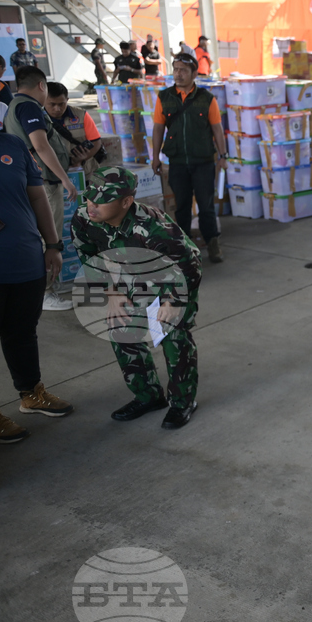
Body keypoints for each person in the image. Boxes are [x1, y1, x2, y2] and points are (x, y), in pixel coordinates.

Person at [71, 167, 202, 430]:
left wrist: (173, 303)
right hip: (129, 280)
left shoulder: (155, 227)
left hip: (169, 283)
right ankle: (149, 396)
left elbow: (190, 265)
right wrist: (111, 293)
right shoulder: (84, 218)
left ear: (126, 202)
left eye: (100, 200)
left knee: (172, 336)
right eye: (88, 197)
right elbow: (88, 256)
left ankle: (182, 402)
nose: (91, 205)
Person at [0, 125, 74, 445]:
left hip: (25, 260)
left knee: (22, 332)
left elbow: (38, 196)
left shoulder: (11, 145)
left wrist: (53, 245)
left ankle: (31, 393)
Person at [3, 66, 77, 312]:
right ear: (42, 86)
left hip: (31, 181)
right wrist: (65, 179)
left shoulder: (14, 106)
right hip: (43, 183)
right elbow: (41, 145)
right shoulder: (29, 107)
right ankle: (46, 293)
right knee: (49, 238)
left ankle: (42, 291)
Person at [150, 53, 228, 263]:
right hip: (177, 162)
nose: (178, 74)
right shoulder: (164, 97)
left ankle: (212, 243)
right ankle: (185, 249)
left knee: (206, 205)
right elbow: (158, 129)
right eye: (175, 69)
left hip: (203, 162)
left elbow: (217, 130)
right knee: (182, 206)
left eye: (183, 70)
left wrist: (223, 155)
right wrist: (155, 156)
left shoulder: (206, 98)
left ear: (194, 73)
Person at [45, 82, 103, 177]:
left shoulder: (81, 115)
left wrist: (83, 158)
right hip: (55, 175)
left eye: (61, 104)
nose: (57, 109)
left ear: (67, 100)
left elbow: (96, 142)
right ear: (44, 101)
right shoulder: (38, 119)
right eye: (52, 104)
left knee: (93, 190)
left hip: (86, 172)